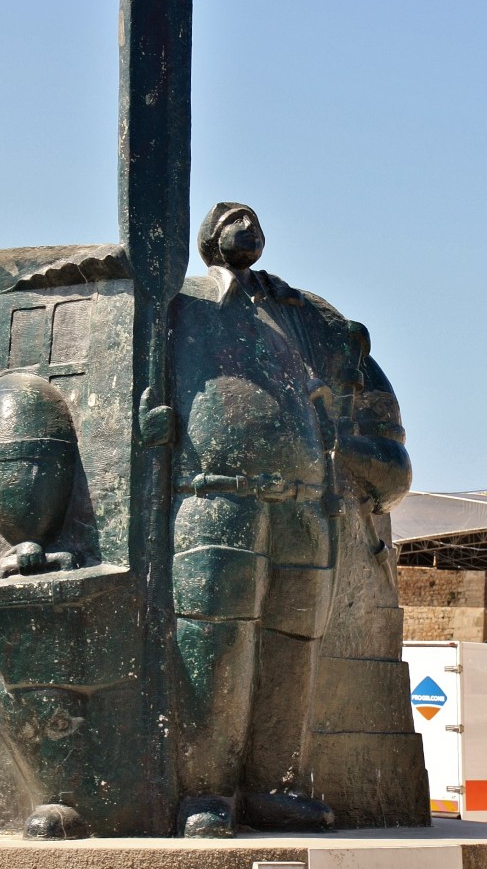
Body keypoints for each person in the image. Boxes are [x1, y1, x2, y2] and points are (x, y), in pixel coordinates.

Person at [170, 202, 411, 836]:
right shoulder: (183, 305)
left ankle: (274, 785)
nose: (244, 224)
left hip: (308, 504)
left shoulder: (309, 320)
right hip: (216, 497)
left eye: (250, 216)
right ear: (208, 240)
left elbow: (393, 467)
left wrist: (342, 449)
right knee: (214, 643)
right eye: (230, 217)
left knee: (292, 646)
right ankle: (206, 791)